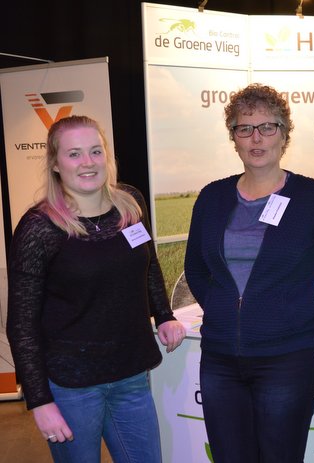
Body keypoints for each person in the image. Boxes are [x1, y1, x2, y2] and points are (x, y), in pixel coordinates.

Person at [184, 83, 314, 463]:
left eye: (268, 127)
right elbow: (196, 269)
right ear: (233, 137)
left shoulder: (313, 199)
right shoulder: (212, 198)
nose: (257, 138)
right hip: (220, 361)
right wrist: (221, 310)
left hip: (286, 363)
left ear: (284, 135)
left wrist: (311, 328)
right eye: (245, 128)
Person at [7, 115, 186, 463]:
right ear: (55, 164)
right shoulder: (39, 228)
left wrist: (164, 315)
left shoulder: (129, 204)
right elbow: (22, 324)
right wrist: (40, 401)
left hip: (131, 375)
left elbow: (148, 264)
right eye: (74, 154)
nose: (87, 162)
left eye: (95, 151)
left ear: (107, 155)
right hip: (72, 386)